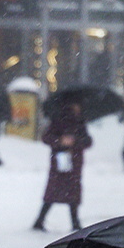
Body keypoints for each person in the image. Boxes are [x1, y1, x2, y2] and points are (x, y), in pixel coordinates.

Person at [32, 98, 91, 233]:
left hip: (73, 162)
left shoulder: (80, 122)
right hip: (61, 161)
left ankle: (74, 222)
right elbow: (46, 137)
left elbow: (88, 141)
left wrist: (74, 141)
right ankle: (41, 220)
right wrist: (61, 141)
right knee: (56, 191)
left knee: (69, 192)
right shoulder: (59, 120)